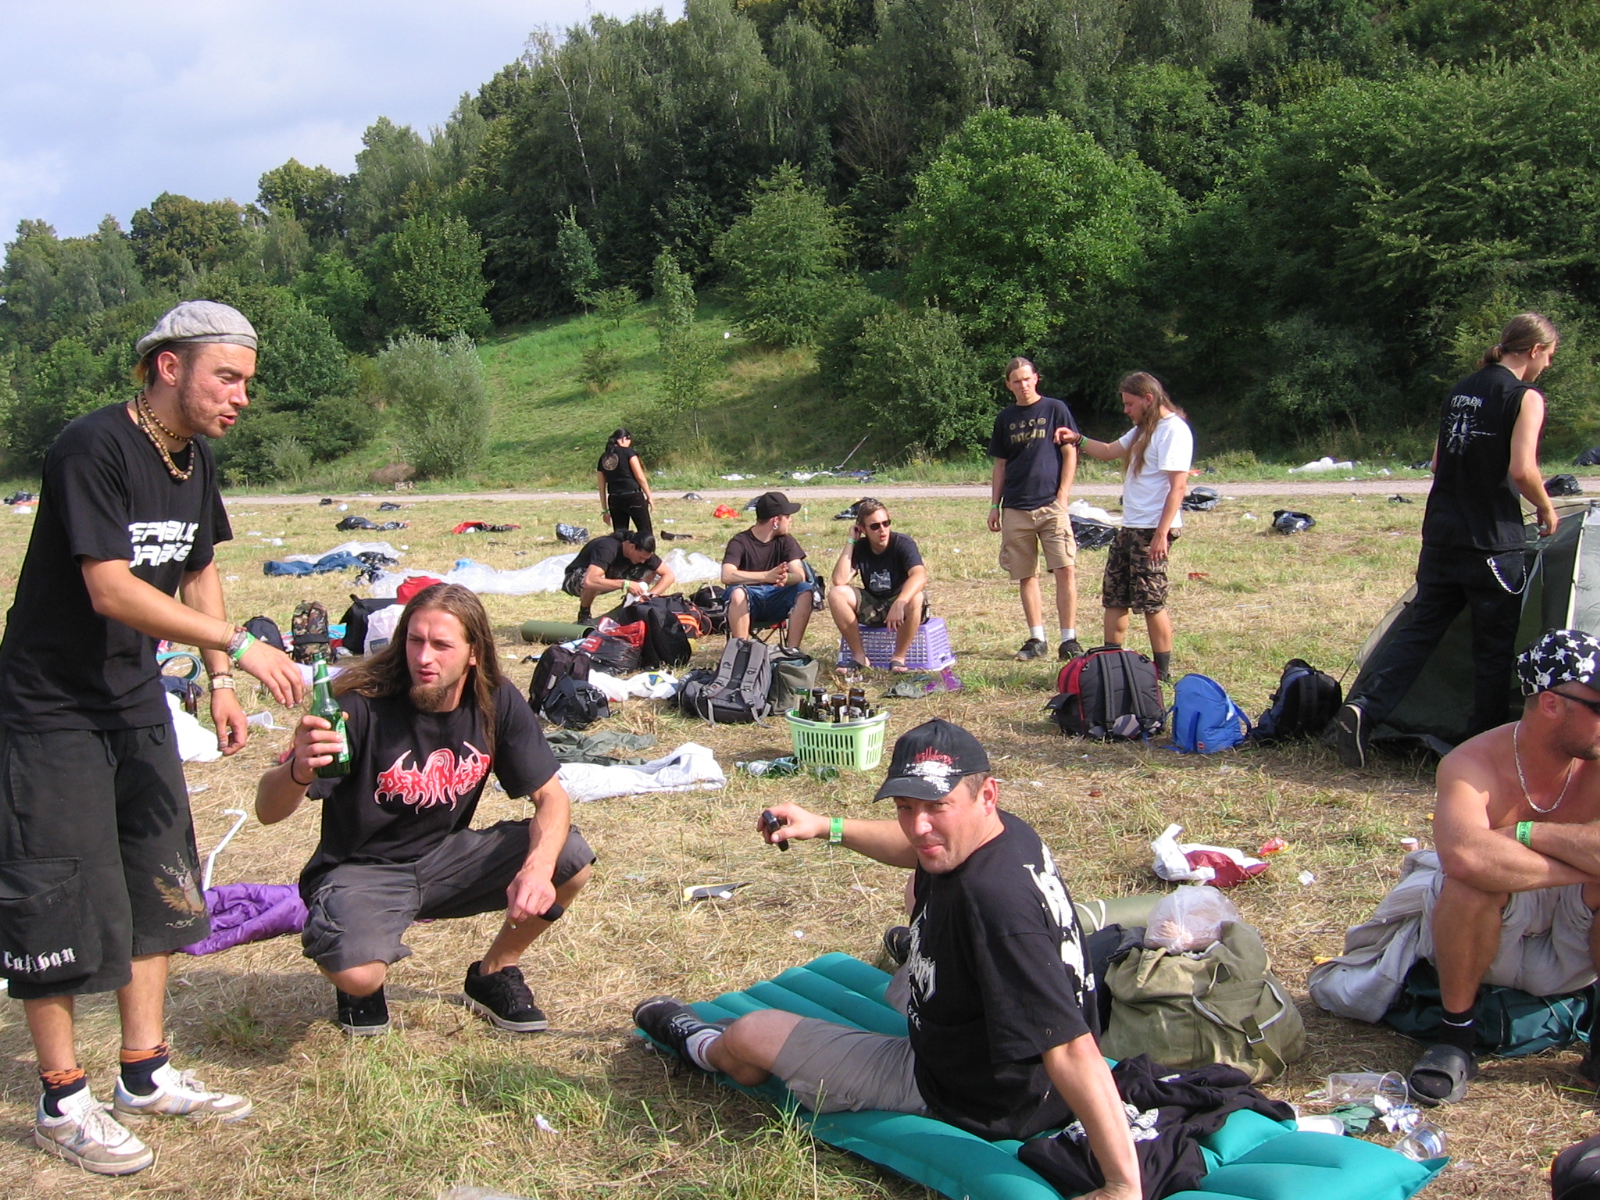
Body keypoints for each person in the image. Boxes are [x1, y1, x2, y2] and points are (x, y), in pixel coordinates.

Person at [0, 300, 306, 1175]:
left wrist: (217, 683)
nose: (241, 396)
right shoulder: (91, 447)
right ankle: (63, 1099)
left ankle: (144, 1073)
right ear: (170, 367)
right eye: (228, 378)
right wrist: (239, 646)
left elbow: (199, 564)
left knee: (158, 879)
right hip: (52, 705)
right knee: (56, 891)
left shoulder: (193, 457)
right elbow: (111, 588)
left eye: (246, 382)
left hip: (135, 698)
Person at [634, 720, 1140, 1200]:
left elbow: (1070, 1049)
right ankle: (917, 947)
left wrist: (1121, 1184)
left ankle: (699, 1043)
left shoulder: (995, 906)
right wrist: (825, 826)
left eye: (936, 806)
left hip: (977, 1091)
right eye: (904, 806)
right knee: (921, 879)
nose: (919, 826)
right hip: (988, 1041)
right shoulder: (1004, 833)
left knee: (752, 1035)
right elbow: (916, 845)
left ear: (986, 794)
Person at [256, 584, 594, 1039]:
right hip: (362, 869)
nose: (424, 657)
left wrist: (536, 869)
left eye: (441, 645)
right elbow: (267, 811)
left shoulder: (494, 699)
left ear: (474, 653)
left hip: (444, 858)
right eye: (415, 641)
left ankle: (494, 971)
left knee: (568, 858)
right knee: (359, 974)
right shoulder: (358, 703)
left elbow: (552, 797)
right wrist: (297, 770)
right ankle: (355, 962)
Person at [1334, 314, 1561, 767]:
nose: (1548, 366)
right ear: (1534, 350)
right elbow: (1522, 470)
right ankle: (1486, 751)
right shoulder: (1525, 397)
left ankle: (1365, 709)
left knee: (1419, 632)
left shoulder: (1461, 390)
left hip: (1442, 534)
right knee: (1492, 650)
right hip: (1492, 542)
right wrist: (1545, 506)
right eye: (1549, 356)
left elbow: (1439, 463)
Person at [1397, 630, 1600, 1105]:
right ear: (1551, 704)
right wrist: (1586, 865)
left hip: (1574, 941)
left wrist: (1528, 833)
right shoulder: (1473, 762)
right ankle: (1455, 1038)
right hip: (1491, 936)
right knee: (1469, 883)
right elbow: (1466, 857)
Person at [1067, 372, 1193, 682]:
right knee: (1115, 594)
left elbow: (1178, 487)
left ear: (1148, 399)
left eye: (1130, 403)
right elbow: (1110, 450)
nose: (1126, 410)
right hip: (1131, 526)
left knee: (1151, 600)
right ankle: (1111, 664)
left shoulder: (1173, 430)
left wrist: (1162, 534)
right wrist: (1077, 439)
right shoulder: (1143, 429)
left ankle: (1162, 673)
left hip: (1152, 529)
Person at [988, 358, 1082, 662]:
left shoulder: (1055, 409)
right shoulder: (1005, 418)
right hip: (1016, 507)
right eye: (1017, 381)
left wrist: (1063, 495)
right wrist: (995, 505)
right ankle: (1037, 638)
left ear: (1036, 379)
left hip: (1051, 505)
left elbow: (1070, 453)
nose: (1023, 385)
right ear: (1009, 385)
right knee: (1026, 574)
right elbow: (1000, 465)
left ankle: (1069, 639)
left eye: (1027, 379)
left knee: (1065, 569)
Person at [828, 497, 929, 672]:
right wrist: (851, 541)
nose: (882, 530)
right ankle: (859, 657)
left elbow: (919, 575)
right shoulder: (861, 546)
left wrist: (900, 602)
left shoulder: (902, 543)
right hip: (875, 606)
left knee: (917, 597)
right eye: (875, 526)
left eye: (886, 523)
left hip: (901, 604)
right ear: (863, 529)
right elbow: (840, 580)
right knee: (836, 594)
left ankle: (898, 658)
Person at [721, 491, 813, 649]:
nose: (790, 520)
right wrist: (766, 576)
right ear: (776, 520)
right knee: (737, 594)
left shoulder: (786, 540)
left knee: (805, 590)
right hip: (749, 598)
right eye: (787, 516)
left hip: (777, 598)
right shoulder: (740, 541)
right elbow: (726, 575)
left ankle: (792, 651)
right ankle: (742, 652)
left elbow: (799, 575)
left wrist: (786, 578)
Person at [561, 530, 677, 624]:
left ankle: (633, 603)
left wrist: (650, 596)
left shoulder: (642, 553)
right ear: (632, 547)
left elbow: (669, 576)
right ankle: (584, 613)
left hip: (612, 577)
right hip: (576, 580)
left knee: (652, 570)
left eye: (645, 558)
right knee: (598, 578)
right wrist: (625, 584)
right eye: (641, 557)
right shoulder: (607, 548)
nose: (643, 561)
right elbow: (589, 580)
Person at [596, 428, 654, 535]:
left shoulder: (604, 458)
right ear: (623, 439)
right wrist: (649, 496)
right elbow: (640, 476)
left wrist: (605, 510)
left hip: (614, 498)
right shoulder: (629, 452)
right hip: (633, 495)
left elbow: (601, 487)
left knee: (620, 535)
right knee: (645, 532)